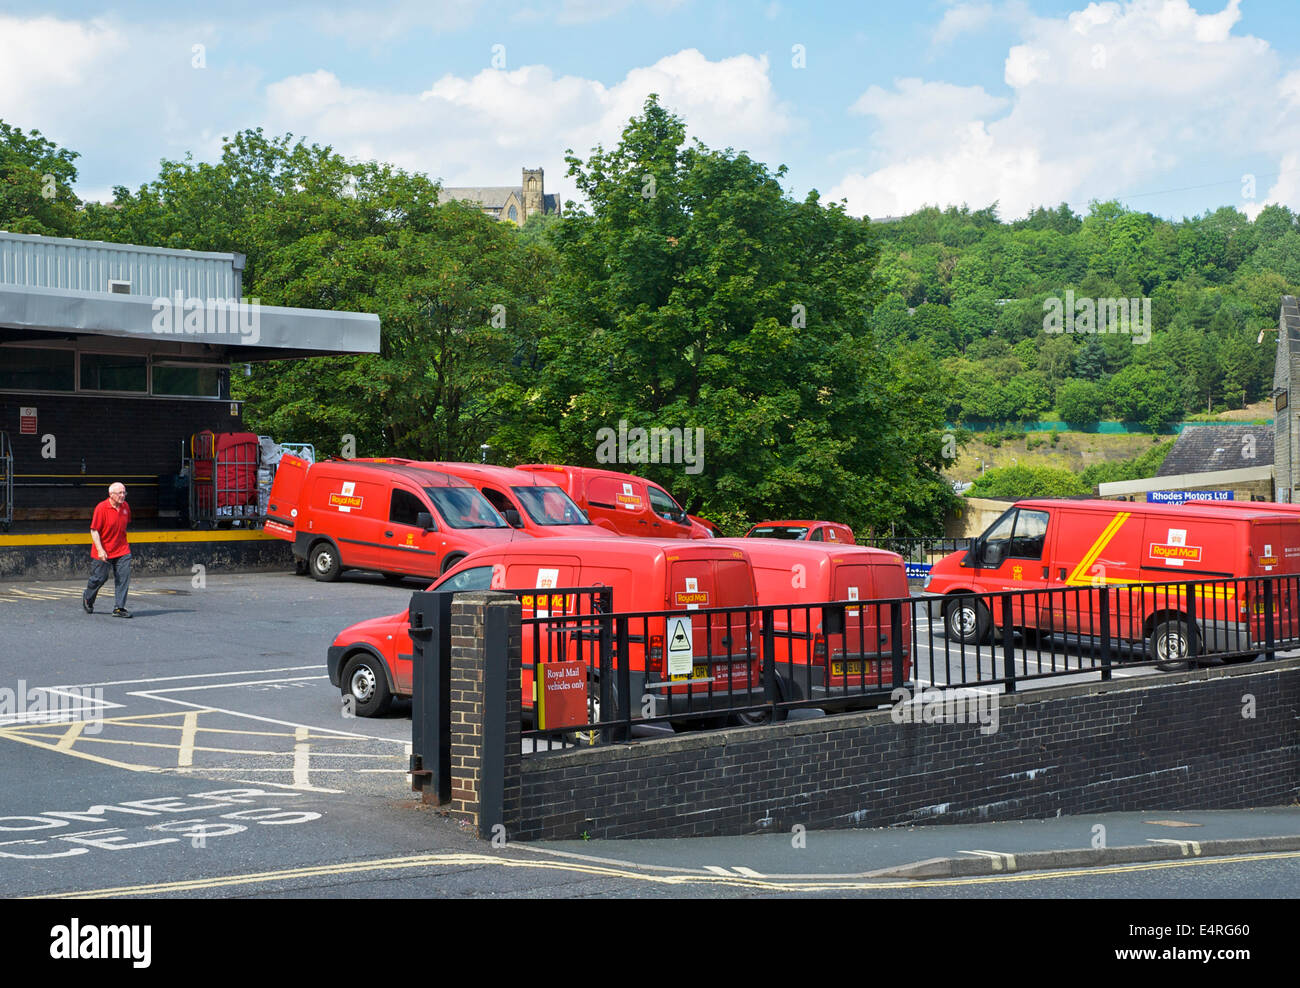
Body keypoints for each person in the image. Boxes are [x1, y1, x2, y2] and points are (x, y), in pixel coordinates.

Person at [83, 482, 132, 618]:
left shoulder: (125, 507)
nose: (123, 496)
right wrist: (100, 550)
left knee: (123, 577)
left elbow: (124, 526)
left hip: (122, 550)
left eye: (124, 493)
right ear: (111, 495)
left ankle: (119, 608)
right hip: (103, 550)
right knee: (99, 578)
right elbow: (94, 530)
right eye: (120, 493)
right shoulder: (102, 508)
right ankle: (88, 597)